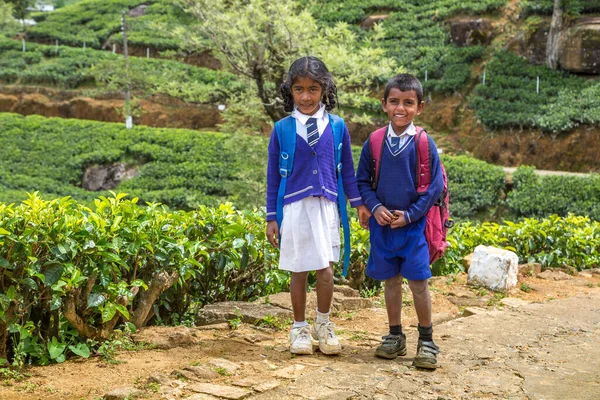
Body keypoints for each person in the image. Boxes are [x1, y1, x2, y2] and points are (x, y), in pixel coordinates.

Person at [266, 56, 370, 355]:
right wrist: (272, 216)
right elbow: (273, 175)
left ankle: (323, 324)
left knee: (325, 270)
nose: (306, 96)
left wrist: (358, 204)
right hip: (294, 208)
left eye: (313, 89)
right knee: (298, 270)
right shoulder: (282, 129)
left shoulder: (337, 127)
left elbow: (347, 170)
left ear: (324, 89)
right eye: (299, 90)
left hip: (326, 206)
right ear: (290, 91)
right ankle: (298, 327)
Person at [356, 73, 444, 369]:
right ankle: (395, 336)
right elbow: (362, 181)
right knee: (390, 282)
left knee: (419, 283)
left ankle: (427, 339)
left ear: (420, 107)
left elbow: (433, 189)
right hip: (382, 228)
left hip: (413, 229)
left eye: (408, 103)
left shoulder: (423, 143)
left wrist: (409, 215)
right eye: (394, 101)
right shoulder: (375, 141)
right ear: (384, 105)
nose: (400, 108)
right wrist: (375, 206)